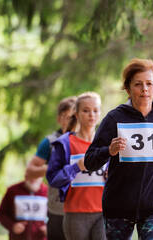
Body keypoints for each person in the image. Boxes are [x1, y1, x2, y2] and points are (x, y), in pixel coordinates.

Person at [84, 58, 153, 240]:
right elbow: (89, 161)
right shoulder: (114, 119)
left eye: (149, 84)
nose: (145, 89)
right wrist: (109, 151)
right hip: (118, 206)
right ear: (127, 89)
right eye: (138, 84)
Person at [46, 92, 106, 240]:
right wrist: (76, 167)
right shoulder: (65, 144)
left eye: (95, 110)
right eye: (86, 110)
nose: (91, 114)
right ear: (77, 114)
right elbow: (53, 179)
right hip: (75, 213)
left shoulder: (107, 143)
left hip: (103, 212)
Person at [25, 96, 77, 240]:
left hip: (85, 208)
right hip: (58, 208)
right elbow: (30, 171)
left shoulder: (90, 139)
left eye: (74, 117)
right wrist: (54, 168)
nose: (71, 121)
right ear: (59, 119)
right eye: (67, 117)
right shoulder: (50, 142)